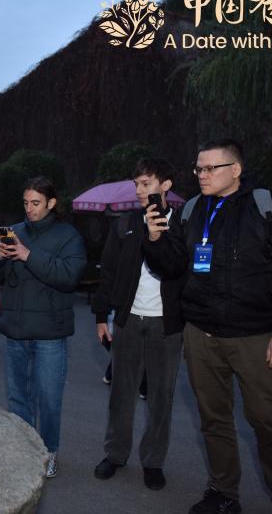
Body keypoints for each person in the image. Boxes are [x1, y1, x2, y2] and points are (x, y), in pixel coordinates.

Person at [143, 139, 272, 514]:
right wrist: (155, 239)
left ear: (235, 170)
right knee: (213, 419)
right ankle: (223, 492)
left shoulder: (267, 207)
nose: (201, 175)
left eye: (210, 168)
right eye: (198, 169)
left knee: (267, 422)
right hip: (201, 334)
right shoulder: (190, 211)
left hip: (257, 335)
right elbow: (171, 267)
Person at [0, 176, 87, 479]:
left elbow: (69, 276)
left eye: (36, 203)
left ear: (51, 203)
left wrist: (28, 255)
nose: (29, 208)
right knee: (18, 399)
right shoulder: (12, 231)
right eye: (26, 202)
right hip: (15, 331)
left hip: (50, 334)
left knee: (49, 400)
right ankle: (23, 449)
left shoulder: (68, 236)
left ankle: (48, 450)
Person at [90, 158, 183, 491]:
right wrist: (101, 315)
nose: (140, 190)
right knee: (121, 392)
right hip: (128, 319)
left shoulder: (183, 223)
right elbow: (109, 271)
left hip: (167, 324)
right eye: (136, 184)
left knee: (160, 397)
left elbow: (183, 270)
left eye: (146, 183)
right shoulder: (126, 223)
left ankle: (153, 461)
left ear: (166, 185)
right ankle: (115, 454)